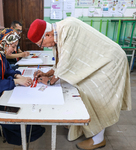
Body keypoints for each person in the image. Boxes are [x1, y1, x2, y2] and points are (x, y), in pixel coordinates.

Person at [27, 18, 131, 150]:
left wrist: (50, 80)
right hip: (101, 62)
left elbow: (68, 61)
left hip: (111, 62)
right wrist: (49, 73)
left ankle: (98, 139)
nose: (43, 47)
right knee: (83, 92)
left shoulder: (68, 28)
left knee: (97, 97)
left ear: (48, 34)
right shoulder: (59, 32)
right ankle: (87, 127)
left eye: (41, 44)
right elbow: (64, 60)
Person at [0, 28, 45, 145]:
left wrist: (16, 75)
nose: (15, 50)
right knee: (15, 116)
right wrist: (16, 82)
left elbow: (7, 70)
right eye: (13, 46)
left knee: (22, 107)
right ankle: (11, 131)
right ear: (4, 44)